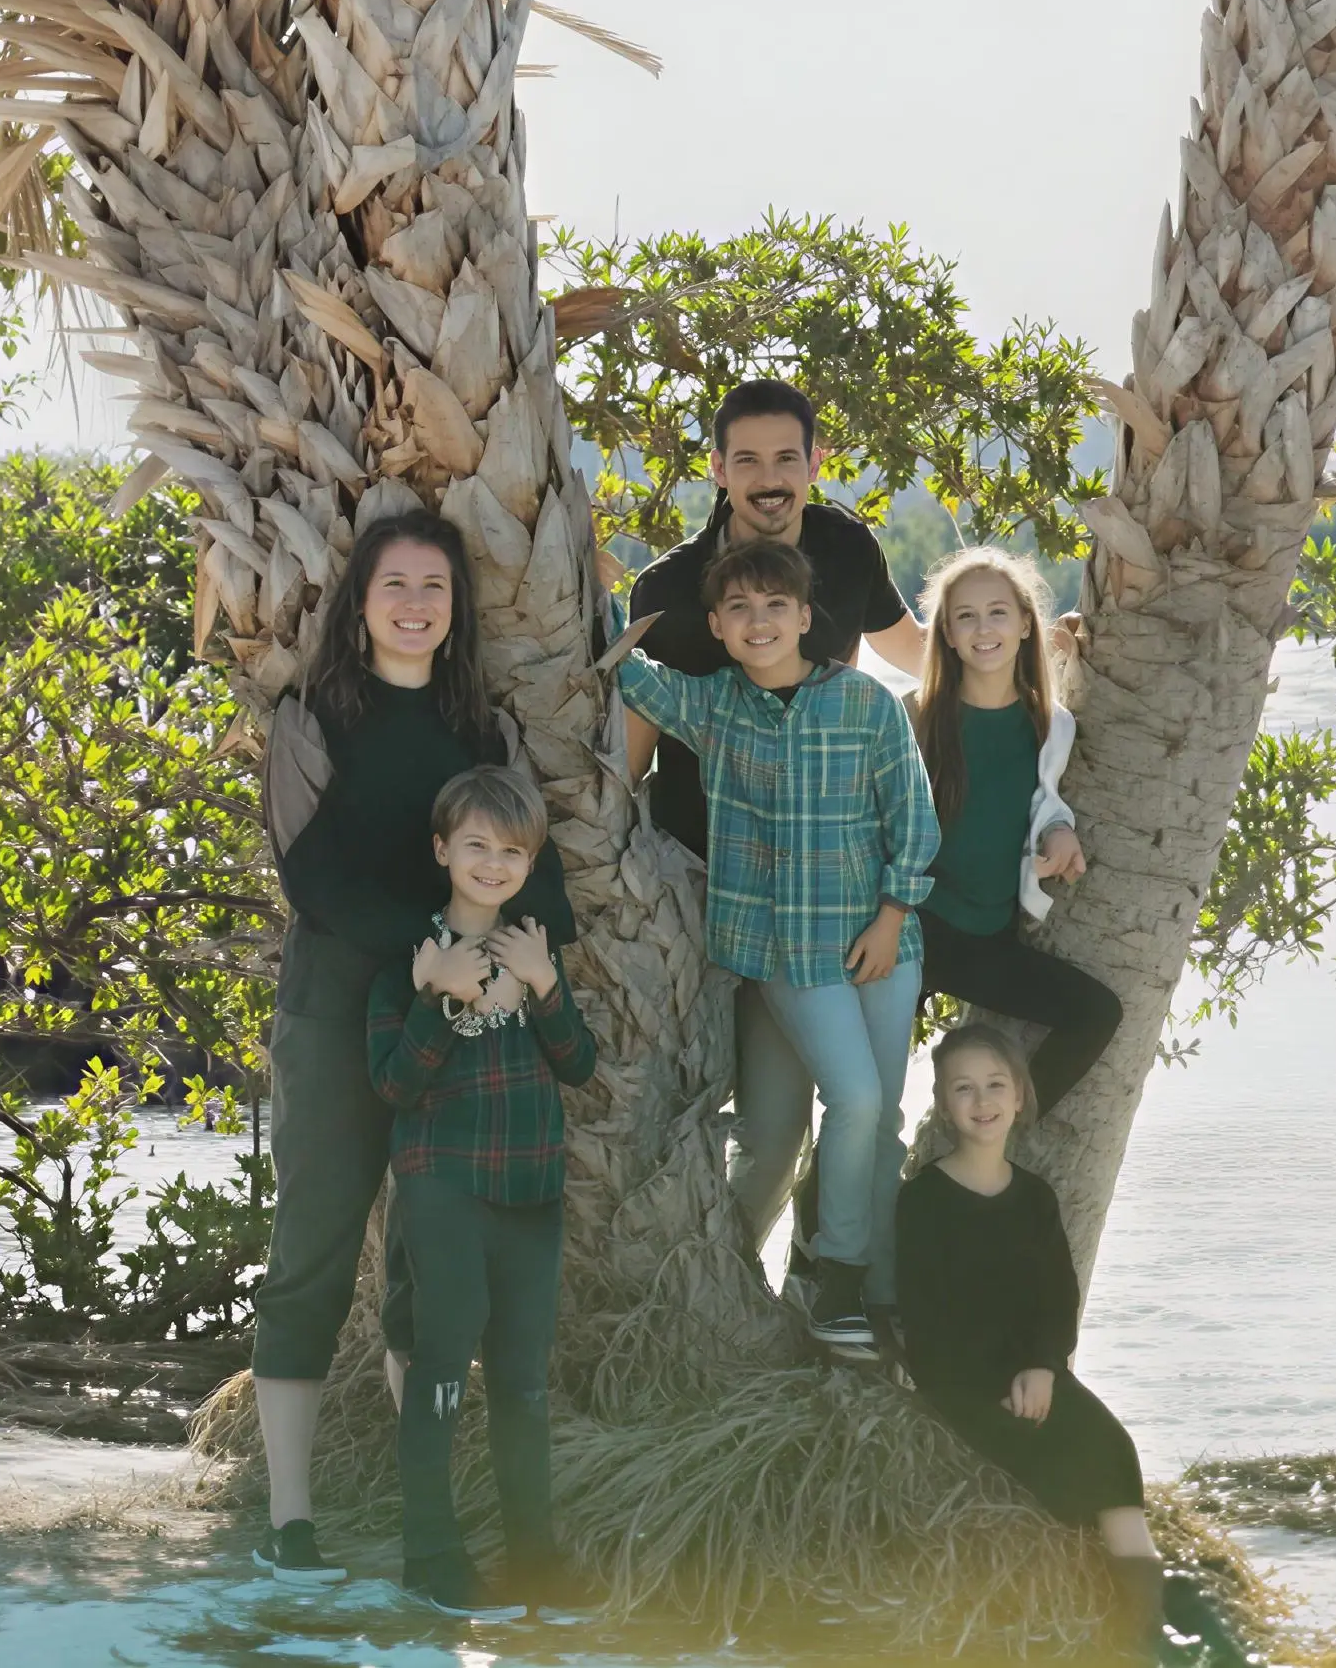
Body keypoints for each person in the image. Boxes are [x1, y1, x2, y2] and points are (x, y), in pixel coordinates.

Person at [253, 509, 576, 1589]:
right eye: (394, 583)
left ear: (455, 607)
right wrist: (428, 954)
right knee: (312, 1250)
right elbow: (312, 881)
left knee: (421, 1277)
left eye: (434, 587)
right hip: (338, 1010)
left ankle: (421, 1518)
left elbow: (539, 879)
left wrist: (506, 972)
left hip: (464, 1039)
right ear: (361, 600)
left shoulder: (480, 730)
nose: (414, 603)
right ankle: (290, 1517)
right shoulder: (310, 716)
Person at [625, 378, 924, 1286]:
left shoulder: (844, 545)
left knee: (834, 1113)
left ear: (814, 463)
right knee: (762, 1127)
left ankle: (810, 1285)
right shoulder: (671, 589)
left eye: (785, 458)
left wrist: (1039, 650)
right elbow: (627, 759)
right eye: (745, 460)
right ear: (716, 469)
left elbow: (916, 655)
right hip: (713, 895)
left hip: (835, 899)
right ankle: (712, 1296)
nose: (767, 479)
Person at [367, 767, 598, 1622]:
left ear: (529, 861)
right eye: (476, 845)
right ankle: (429, 1555)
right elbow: (391, 1085)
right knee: (440, 1373)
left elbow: (579, 1064)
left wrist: (544, 987)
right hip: (443, 1186)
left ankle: (534, 1560)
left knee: (522, 1383)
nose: (492, 863)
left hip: (530, 1192)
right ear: (443, 850)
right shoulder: (413, 957)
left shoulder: (534, 947)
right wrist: (440, 998)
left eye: (511, 851)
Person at [897, 1024, 1175, 1660]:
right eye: (963, 1088)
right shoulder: (924, 1201)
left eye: (996, 1084)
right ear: (943, 1103)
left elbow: (1056, 1300)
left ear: (1020, 1095)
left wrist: (1044, 1367)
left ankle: (1145, 1639)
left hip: (1035, 1370)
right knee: (1059, 1465)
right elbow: (925, 1317)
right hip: (962, 1383)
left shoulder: (1034, 1197)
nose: (982, 1100)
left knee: (1113, 1448)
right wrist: (990, 1387)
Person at [908, 548, 1123, 1115]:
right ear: (948, 635)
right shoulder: (915, 717)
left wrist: (1058, 833)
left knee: (1097, 1013)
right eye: (966, 616)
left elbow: (1044, 800)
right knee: (865, 1098)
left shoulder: (1051, 724)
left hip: (988, 936)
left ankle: (999, 1138)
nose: (984, 629)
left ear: (1027, 624)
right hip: (913, 930)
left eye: (998, 612)